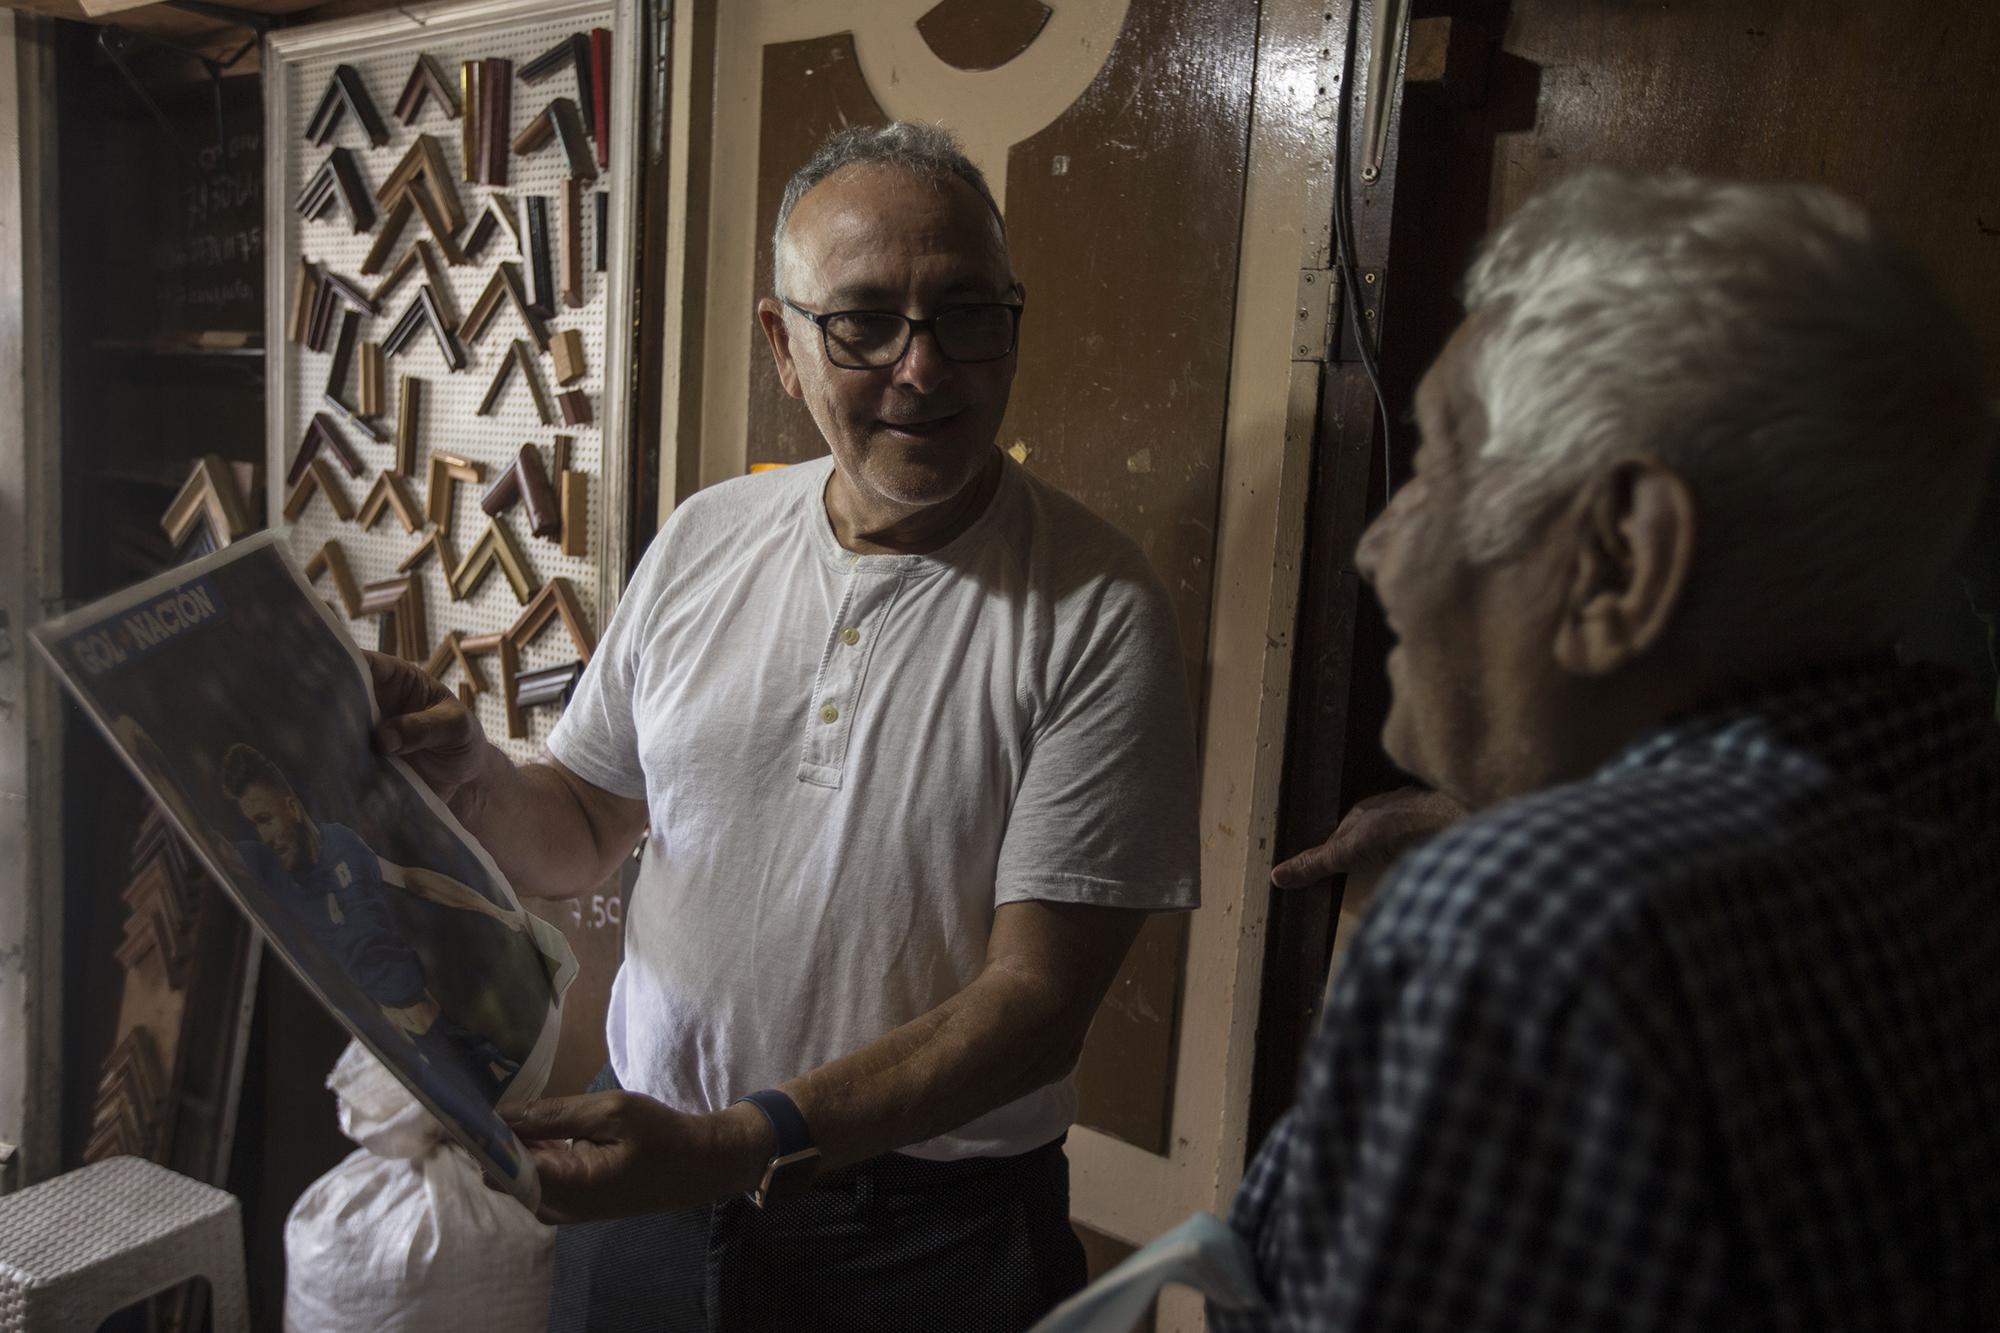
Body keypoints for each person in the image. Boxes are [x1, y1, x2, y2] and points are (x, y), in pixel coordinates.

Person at [369, 121, 1200, 1331]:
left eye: (967, 312)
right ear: (783, 344)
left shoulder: (1096, 610)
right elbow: (585, 828)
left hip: (919, 1239)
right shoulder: (707, 539)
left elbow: (1035, 1007)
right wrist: (471, 774)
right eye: (863, 322)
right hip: (648, 1191)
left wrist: (735, 1141)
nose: (924, 368)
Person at [1222, 173, 2000, 1331]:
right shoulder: (1941, 821)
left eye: (1435, 463)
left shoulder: (1527, 921)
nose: (1379, 549)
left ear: (1619, 561)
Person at [217, 742, 528, 1100]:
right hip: (409, 1056)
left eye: (264, 820)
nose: (264, 838)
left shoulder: (345, 844)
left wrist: (495, 909)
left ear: (292, 809)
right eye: (254, 827)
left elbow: (415, 880)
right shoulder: (274, 872)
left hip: (447, 1031)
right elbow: (214, 846)